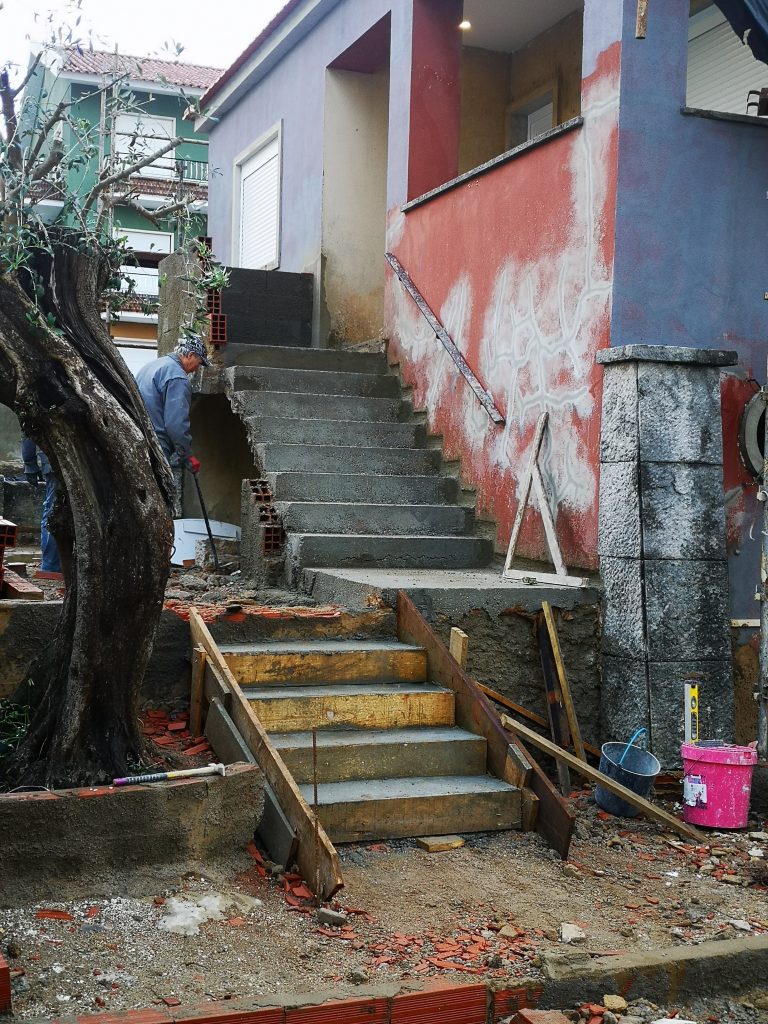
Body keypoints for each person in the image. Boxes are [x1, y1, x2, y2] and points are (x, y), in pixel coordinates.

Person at [135, 333, 210, 515]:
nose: (196, 370)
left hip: (138, 438)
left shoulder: (153, 366)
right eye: (198, 364)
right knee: (158, 503)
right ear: (190, 355)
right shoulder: (178, 378)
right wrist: (187, 456)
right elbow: (176, 425)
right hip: (156, 446)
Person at [21, 438, 61, 575]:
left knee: (54, 510)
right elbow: (30, 428)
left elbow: (28, 431)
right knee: (54, 512)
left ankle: (54, 565)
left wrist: (30, 463)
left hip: (56, 461)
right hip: (56, 461)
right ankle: (51, 566)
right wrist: (30, 463)